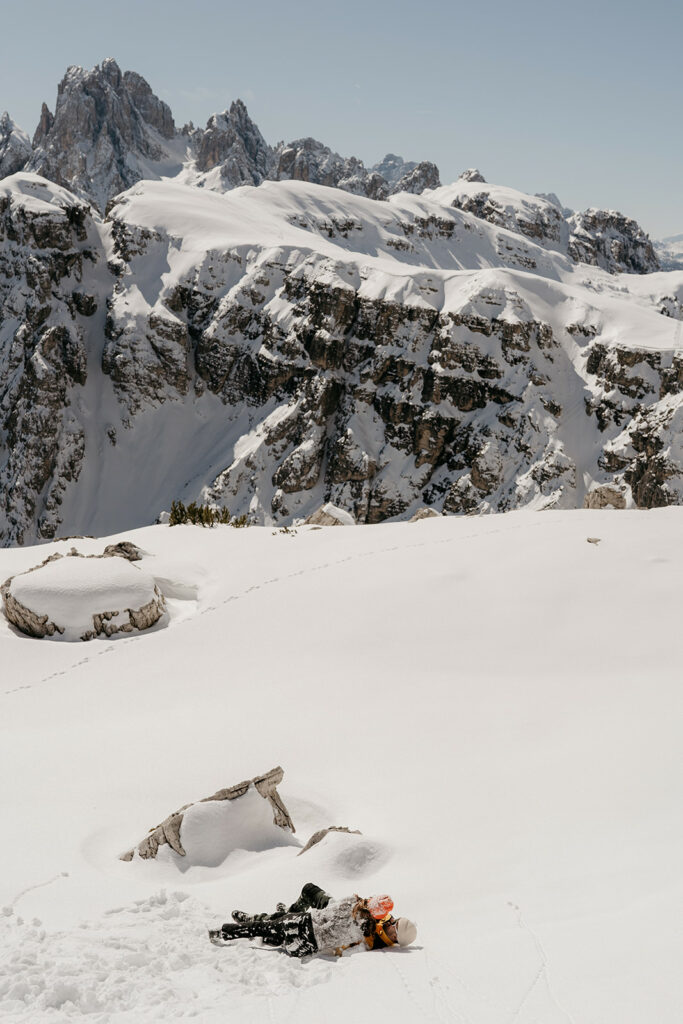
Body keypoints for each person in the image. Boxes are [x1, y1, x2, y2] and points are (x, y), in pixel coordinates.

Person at [209, 882, 418, 959]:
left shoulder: (373, 938)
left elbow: (353, 930)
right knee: (271, 929)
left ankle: (231, 929)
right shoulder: (381, 924)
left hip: (307, 933)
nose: (391, 925)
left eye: (394, 929)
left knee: (269, 929)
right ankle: (271, 916)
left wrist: (362, 906)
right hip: (310, 930)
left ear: (396, 939)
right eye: (394, 922)